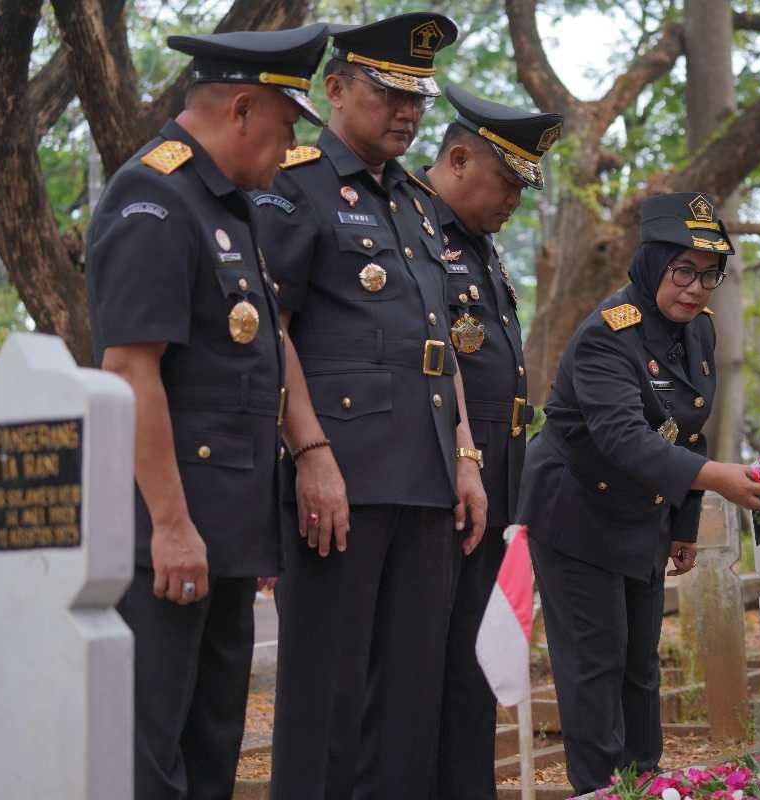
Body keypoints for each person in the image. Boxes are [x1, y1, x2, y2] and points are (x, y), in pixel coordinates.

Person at [86, 23, 332, 800]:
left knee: (214, 739)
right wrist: (168, 525)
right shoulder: (154, 199)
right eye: (288, 126)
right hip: (168, 537)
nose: (289, 148)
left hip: (222, 536)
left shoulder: (230, 208)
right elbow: (130, 369)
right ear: (243, 110)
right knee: (151, 747)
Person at [252, 15, 488, 799]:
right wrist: (311, 456)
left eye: (417, 98)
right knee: (330, 694)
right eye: (388, 93)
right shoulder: (295, 182)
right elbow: (270, 329)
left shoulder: (416, 205)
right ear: (337, 88)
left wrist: (465, 454)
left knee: (410, 699)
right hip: (340, 482)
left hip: (423, 476)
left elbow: (440, 344)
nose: (408, 113)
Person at [517, 192, 760, 795]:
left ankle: (643, 782)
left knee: (640, 666)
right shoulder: (608, 334)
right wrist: (718, 481)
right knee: (595, 666)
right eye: (681, 270)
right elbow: (624, 440)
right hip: (575, 512)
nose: (695, 287)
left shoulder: (697, 332)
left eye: (709, 273)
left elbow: (689, 426)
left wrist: (684, 524)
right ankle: (600, 790)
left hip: (639, 513)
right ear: (651, 263)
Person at [415, 85, 563, 799]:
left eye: (521, 189)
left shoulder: (480, 248)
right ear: (459, 157)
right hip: (438, 484)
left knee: (473, 676)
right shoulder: (412, 226)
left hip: (492, 493)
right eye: (506, 181)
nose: (513, 200)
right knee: (424, 675)